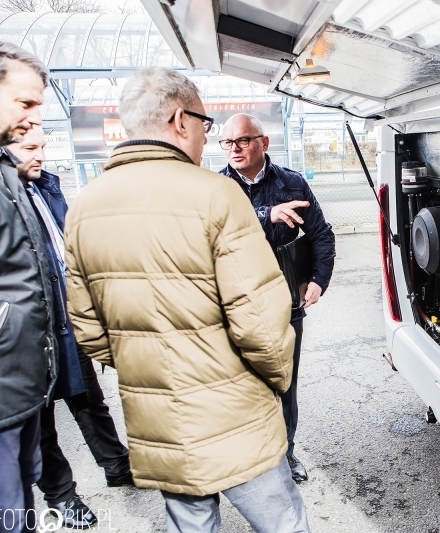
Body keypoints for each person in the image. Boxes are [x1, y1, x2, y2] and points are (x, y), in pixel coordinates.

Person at [63, 67, 309, 533]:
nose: (205, 136)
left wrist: (148, 365)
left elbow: (90, 331)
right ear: (180, 120)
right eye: (204, 124)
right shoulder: (217, 194)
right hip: (236, 417)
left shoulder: (85, 206)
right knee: (284, 525)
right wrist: (276, 381)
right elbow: (261, 321)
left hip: (161, 425)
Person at [6, 127, 133, 530]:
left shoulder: (43, 189)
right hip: (27, 331)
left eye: (43, 146)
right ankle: (61, 496)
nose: (40, 155)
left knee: (88, 399)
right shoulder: (3, 197)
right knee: (41, 420)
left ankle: (117, 466)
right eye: (30, 148)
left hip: (66, 318)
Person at [219, 114, 336, 483]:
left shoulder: (292, 183)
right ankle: (248, 456)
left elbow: (322, 236)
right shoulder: (215, 188)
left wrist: (318, 280)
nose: (234, 149)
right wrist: (268, 214)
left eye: (242, 141)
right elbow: (218, 230)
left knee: (284, 382)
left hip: (285, 302)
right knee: (241, 384)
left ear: (264, 143)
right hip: (235, 304)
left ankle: (285, 454)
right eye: (227, 143)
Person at [0, 41, 57, 533]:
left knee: (19, 499)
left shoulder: (1, 169)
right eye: (25, 102)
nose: (35, 115)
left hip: (19, 378)